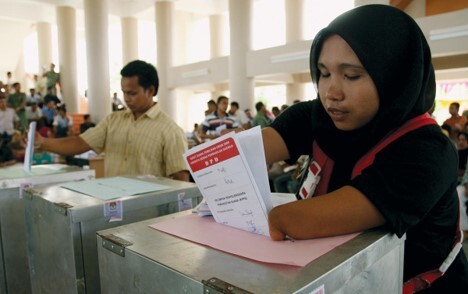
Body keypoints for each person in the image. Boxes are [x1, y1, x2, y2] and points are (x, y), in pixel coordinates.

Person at [262, 5, 468, 293]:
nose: (331, 92)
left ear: (394, 76)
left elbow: (294, 222)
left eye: (352, 76)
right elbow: (240, 154)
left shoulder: (428, 152)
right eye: (323, 73)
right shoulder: (319, 115)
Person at [34, 60, 189, 181]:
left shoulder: (170, 131)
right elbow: (80, 143)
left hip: (149, 213)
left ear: (150, 91)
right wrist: (43, 142)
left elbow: (180, 178)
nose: (126, 98)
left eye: (132, 93)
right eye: (124, 92)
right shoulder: (113, 121)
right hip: (114, 207)